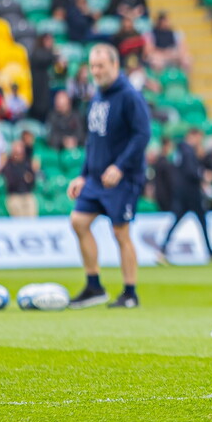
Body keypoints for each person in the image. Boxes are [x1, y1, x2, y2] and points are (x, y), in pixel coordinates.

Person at [66, 44, 151, 309]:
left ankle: (130, 293)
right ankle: (94, 286)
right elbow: (93, 140)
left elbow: (142, 135)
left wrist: (120, 167)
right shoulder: (97, 96)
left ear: (115, 65)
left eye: (101, 66)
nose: (96, 71)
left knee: (120, 232)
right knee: (78, 221)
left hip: (122, 179)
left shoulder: (129, 95)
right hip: (95, 179)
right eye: (92, 66)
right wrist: (82, 175)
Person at [157, 128, 212, 264]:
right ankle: (210, 253)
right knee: (202, 222)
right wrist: (203, 175)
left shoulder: (180, 150)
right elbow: (190, 172)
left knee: (178, 222)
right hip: (191, 194)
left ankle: (162, 250)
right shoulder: (188, 150)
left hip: (182, 194)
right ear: (193, 136)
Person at [2, 140, 38, 217]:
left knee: (31, 203)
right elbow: (11, 182)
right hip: (14, 195)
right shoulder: (8, 164)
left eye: (21, 153)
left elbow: (32, 180)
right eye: (17, 154)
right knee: (17, 209)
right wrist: (23, 177)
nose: (19, 156)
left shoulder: (27, 163)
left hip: (27, 194)